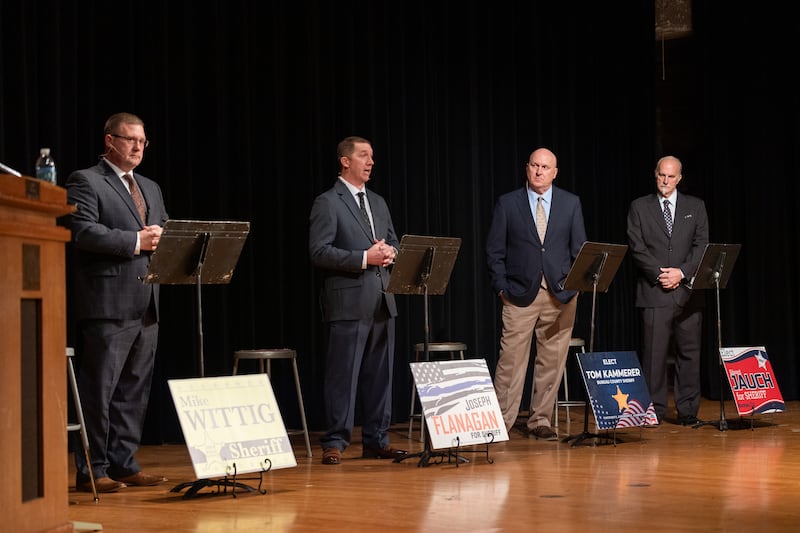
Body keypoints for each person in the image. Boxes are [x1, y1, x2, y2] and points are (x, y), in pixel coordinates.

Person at [66, 112, 169, 492]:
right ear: (110, 141)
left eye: (143, 142)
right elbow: (81, 230)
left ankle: (124, 463)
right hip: (107, 303)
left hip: (146, 303)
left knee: (133, 391)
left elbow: (163, 230)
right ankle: (92, 469)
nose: (138, 147)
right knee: (100, 391)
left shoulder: (151, 187)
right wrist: (135, 241)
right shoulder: (86, 180)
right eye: (131, 140)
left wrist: (164, 237)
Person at [308, 136, 407, 465]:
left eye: (372, 156)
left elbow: (392, 240)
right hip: (348, 302)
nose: (371, 161)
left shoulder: (377, 202)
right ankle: (335, 440)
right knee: (343, 375)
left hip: (382, 299)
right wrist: (364, 258)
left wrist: (391, 252)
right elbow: (318, 251)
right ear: (345, 161)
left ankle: (376, 439)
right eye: (364, 155)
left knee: (381, 377)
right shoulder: (328, 202)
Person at [486, 147, 587, 441]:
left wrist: (574, 286)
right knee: (511, 363)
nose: (539, 171)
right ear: (527, 168)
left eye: (545, 167)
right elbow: (494, 250)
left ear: (555, 173)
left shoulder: (570, 203)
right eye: (535, 165)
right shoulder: (508, 203)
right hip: (518, 294)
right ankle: (500, 423)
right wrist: (501, 287)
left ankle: (540, 419)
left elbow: (579, 248)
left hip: (561, 294)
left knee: (552, 362)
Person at [627, 155, 709, 425]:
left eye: (671, 176)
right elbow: (637, 247)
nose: (665, 180)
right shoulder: (639, 207)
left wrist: (682, 273)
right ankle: (654, 411)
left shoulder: (695, 206)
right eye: (662, 175)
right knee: (654, 355)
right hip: (655, 290)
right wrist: (661, 274)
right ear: (655, 174)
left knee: (690, 352)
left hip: (688, 292)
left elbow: (701, 246)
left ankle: (687, 411)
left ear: (679, 178)